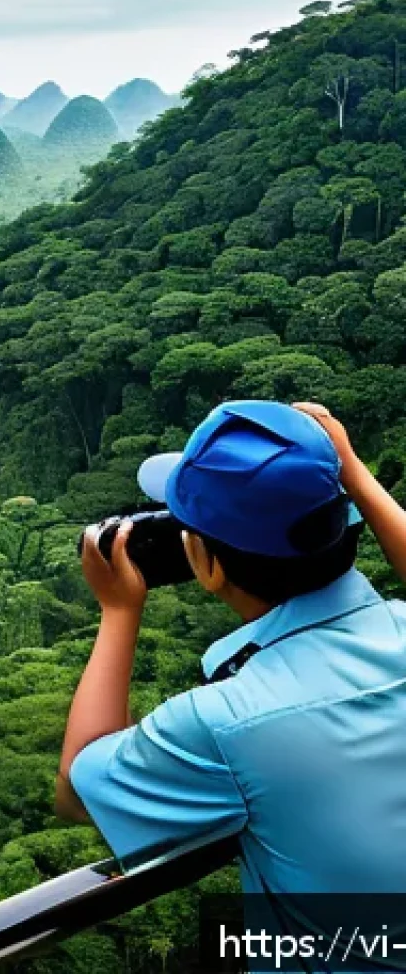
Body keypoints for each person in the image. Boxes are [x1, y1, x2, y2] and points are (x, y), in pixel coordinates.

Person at [56, 400, 406, 968]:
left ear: (207, 562)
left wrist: (119, 613)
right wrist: (356, 475)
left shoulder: (225, 720)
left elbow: (77, 791)